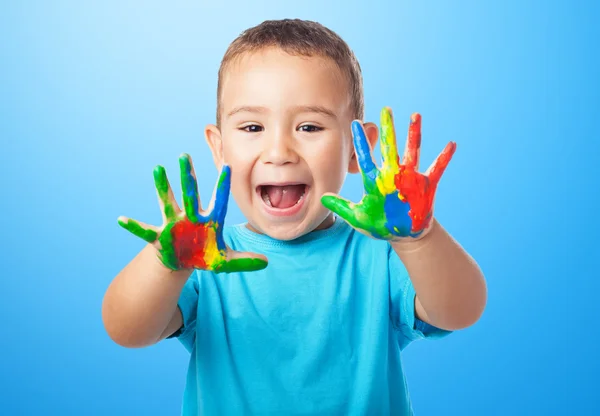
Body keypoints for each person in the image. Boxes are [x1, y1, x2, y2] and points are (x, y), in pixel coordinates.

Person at [102, 18, 487, 415]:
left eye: (309, 126)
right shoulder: (205, 261)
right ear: (219, 148)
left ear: (358, 149)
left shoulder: (382, 256)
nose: (279, 150)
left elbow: (460, 310)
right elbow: (126, 329)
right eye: (252, 126)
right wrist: (167, 266)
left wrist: (419, 239)